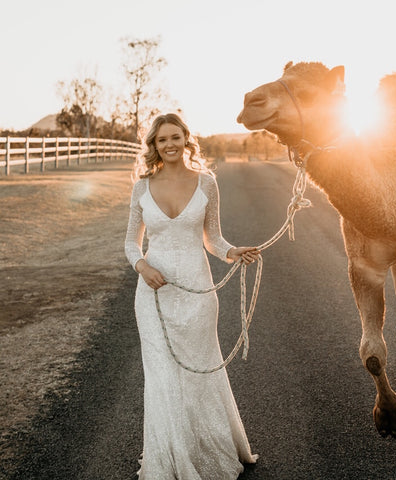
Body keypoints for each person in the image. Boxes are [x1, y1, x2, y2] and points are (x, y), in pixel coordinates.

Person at [124, 113, 259, 479]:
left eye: (174, 137)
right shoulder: (142, 187)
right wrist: (143, 267)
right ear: (153, 145)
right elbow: (130, 243)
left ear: (187, 139)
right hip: (153, 296)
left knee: (200, 375)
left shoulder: (207, 183)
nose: (168, 145)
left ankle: (207, 451)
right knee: (162, 377)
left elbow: (213, 239)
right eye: (160, 140)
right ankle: (169, 458)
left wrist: (233, 252)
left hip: (198, 294)